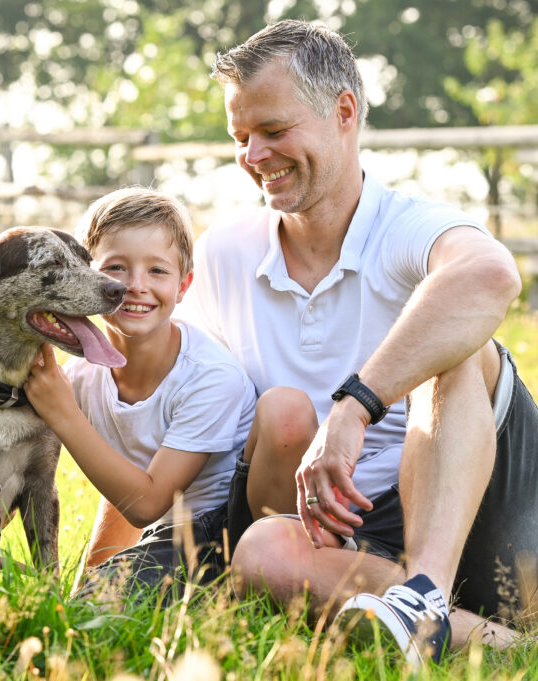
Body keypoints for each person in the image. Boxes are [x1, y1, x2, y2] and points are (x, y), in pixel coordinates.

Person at [178, 20, 536, 666]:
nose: (253, 156)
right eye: (241, 137)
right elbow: (194, 406)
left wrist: (355, 406)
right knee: (260, 549)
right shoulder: (225, 252)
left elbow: (490, 275)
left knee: (457, 347)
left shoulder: (407, 226)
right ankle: (485, 640)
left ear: (345, 112)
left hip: (474, 511)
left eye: (274, 131)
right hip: (344, 540)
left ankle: (424, 593)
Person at [23, 187, 256, 595]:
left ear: (184, 286)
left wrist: (63, 413)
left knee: (108, 603)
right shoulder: (81, 377)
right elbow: (122, 480)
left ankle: (235, 596)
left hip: (225, 530)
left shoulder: (210, 377)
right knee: (91, 602)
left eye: (157, 271)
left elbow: (147, 504)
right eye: (115, 268)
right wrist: (88, 579)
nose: (135, 286)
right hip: (166, 536)